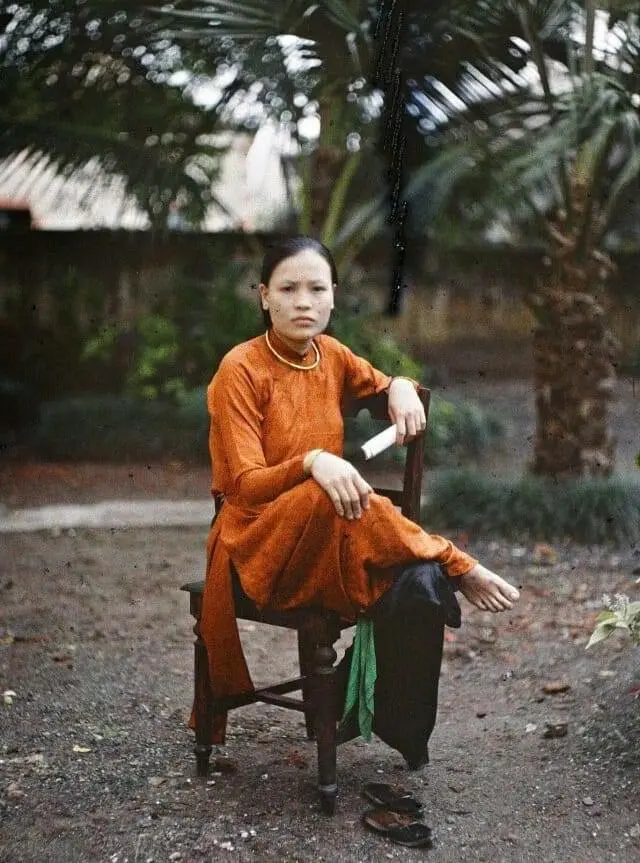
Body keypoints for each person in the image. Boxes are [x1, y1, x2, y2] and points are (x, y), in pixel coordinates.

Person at [194, 235, 520, 767]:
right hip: (257, 541)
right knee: (330, 496)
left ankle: (382, 711)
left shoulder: (333, 356)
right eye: (288, 288)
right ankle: (452, 560)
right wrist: (310, 462)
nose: (303, 301)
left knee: (418, 581)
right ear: (263, 297)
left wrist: (402, 385)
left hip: (328, 534)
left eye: (316, 288)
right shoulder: (241, 368)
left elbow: (385, 380)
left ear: (333, 297)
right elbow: (245, 486)